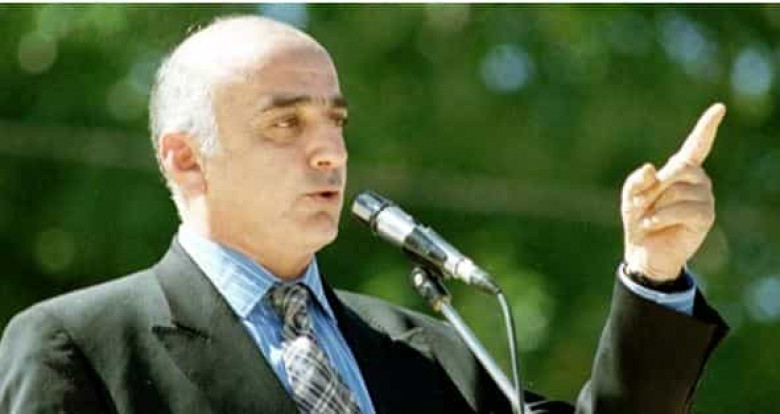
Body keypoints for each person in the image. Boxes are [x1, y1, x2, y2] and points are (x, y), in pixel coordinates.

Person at [0, 15, 727, 414]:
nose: (330, 152)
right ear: (187, 160)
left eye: (336, 121)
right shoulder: (79, 348)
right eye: (286, 124)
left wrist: (653, 272)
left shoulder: (434, 352)